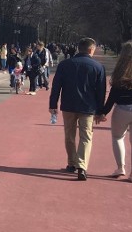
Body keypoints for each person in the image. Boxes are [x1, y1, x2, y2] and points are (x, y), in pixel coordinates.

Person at [49, 37, 106, 181]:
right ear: (91, 49)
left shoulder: (65, 65)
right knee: (86, 136)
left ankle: (71, 162)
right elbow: (101, 91)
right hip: (88, 106)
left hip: (68, 105)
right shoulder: (97, 67)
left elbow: (56, 86)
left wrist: (53, 104)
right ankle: (82, 166)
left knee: (69, 135)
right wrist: (100, 110)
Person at [98, 41, 132, 180]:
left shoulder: (120, 71)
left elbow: (112, 95)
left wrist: (103, 112)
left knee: (118, 137)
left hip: (122, 108)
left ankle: (120, 167)